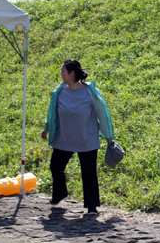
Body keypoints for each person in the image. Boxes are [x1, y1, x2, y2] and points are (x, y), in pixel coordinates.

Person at [41, 59, 114, 215]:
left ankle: (92, 206)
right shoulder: (59, 91)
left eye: (63, 71)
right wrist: (46, 129)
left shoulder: (90, 92)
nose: (61, 74)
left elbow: (102, 113)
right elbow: (52, 112)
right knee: (56, 167)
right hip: (64, 138)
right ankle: (60, 194)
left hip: (86, 139)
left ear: (72, 73)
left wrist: (109, 137)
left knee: (88, 172)